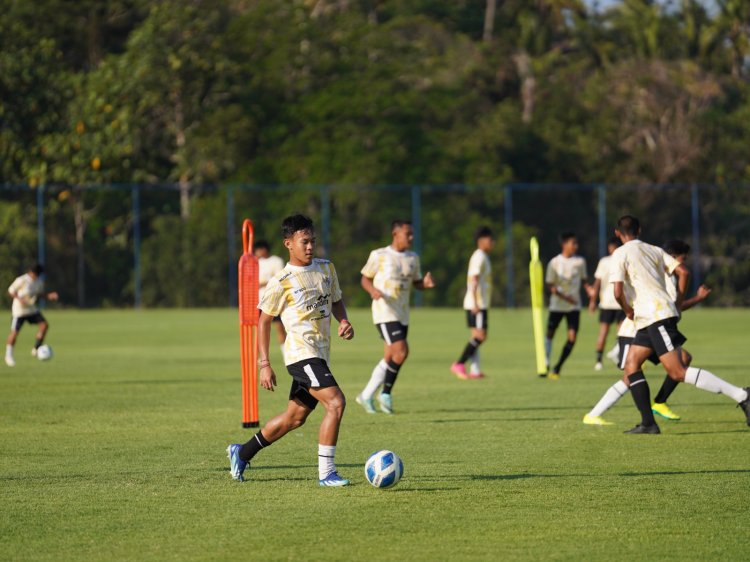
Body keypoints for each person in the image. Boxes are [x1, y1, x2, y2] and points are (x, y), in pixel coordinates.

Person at [227, 215, 354, 486]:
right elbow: (263, 320)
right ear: (288, 244)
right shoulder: (281, 280)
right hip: (300, 354)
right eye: (304, 241)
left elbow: (336, 300)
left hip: (319, 355)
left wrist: (343, 320)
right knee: (336, 402)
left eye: (313, 241)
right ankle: (327, 473)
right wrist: (264, 363)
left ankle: (242, 452)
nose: (310, 246)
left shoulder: (326, 268)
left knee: (294, 418)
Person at [605, 215, 749, 434]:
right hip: (650, 317)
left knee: (678, 372)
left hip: (654, 316)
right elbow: (683, 271)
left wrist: (627, 311)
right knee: (631, 365)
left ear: (617, 233)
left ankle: (743, 395)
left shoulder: (620, 253)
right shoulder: (653, 249)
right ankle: (648, 423)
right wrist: (678, 301)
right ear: (640, 230)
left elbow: (617, 292)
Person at [583, 239, 712, 425]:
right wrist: (698, 298)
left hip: (647, 327)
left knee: (682, 360)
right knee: (630, 376)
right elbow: (676, 307)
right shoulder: (666, 277)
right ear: (673, 257)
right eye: (682, 259)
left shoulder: (659, 272)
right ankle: (595, 415)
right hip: (634, 330)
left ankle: (657, 405)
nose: (682, 263)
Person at [356, 220, 435, 414]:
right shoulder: (380, 255)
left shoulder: (412, 258)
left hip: (402, 313)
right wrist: (372, 290)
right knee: (401, 352)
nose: (411, 237)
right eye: (408, 233)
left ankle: (365, 396)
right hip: (384, 311)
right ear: (395, 233)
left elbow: (416, 282)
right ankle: (386, 394)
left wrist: (425, 284)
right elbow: (365, 278)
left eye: (412, 234)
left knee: (390, 357)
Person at [543, 231, 591, 379]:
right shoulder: (554, 262)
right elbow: (550, 285)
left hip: (573, 308)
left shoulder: (580, 262)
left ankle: (558, 367)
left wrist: (590, 290)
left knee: (572, 338)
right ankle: (545, 361)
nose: (576, 246)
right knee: (550, 334)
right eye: (573, 243)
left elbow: (584, 281)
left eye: (577, 243)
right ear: (564, 244)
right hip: (557, 306)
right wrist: (565, 297)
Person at [451, 226, 494, 380]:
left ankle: (475, 370)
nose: (492, 242)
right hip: (477, 304)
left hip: (478, 303)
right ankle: (459, 363)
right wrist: (475, 302)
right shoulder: (479, 257)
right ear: (481, 241)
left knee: (476, 336)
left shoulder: (483, 256)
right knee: (480, 336)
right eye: (490, 239)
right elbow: (474, 279)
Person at [6, 264, 59, 367]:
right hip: (19, 311)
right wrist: (19, 299)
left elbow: (39, 294)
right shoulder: (21, 280)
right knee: (15, 332)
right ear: (31, 272)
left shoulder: (38, 282)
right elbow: (10, 291)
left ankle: (36, 349)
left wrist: (49, 296)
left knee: (44, 325)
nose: (36, 276)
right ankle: (9, 355)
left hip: (31, 309)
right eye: (35, 274)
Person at [588, 237, 625, 371]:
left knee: (619, 331)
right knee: (611, 332)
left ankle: (607, 358)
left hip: (618, 303)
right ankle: (604, 358)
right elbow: (597, 282)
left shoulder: (610, 261)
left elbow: (597, 282)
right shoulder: (609, 261)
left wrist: (592, 301)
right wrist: (593, 300)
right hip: (612, 302)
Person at [254, 240, 287, 358]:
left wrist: (261, 284)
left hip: (274, 299)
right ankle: (260, 357)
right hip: (259, 300)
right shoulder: (256, 262)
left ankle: (286, 354)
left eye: (259, 250)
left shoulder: (276, 261)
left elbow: (279, 278)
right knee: (260, 329)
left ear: (264, 249)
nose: (257, 253)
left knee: (279, 328)